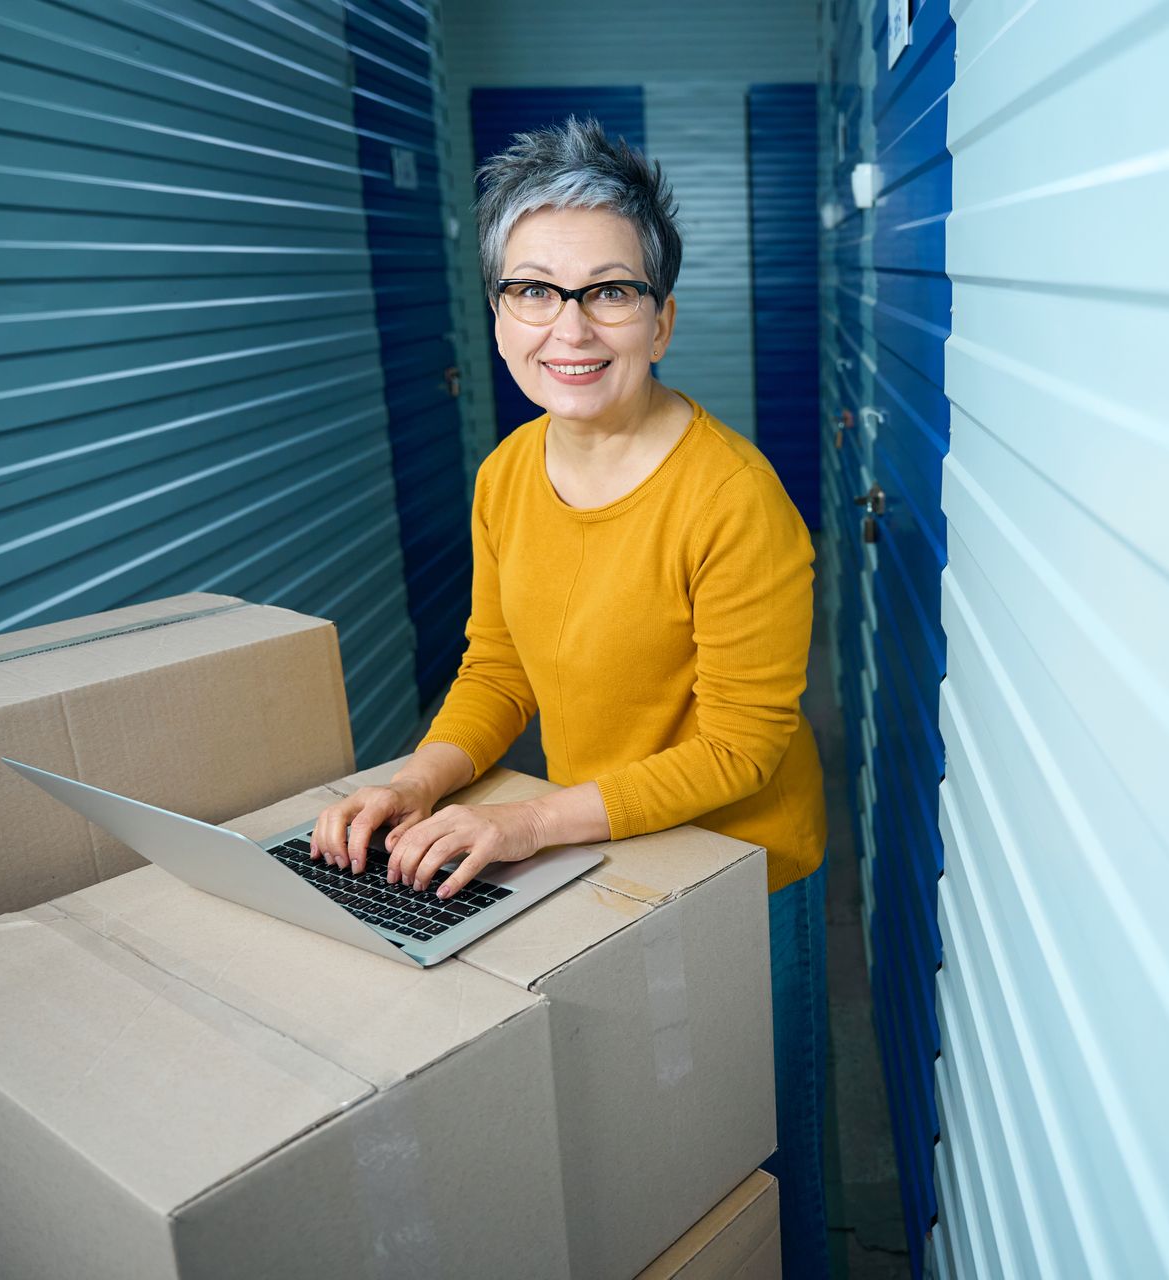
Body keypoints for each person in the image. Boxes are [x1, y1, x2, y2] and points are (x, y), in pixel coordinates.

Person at [309, 116, 830, 1279]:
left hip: (746, 874)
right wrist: (414, 779)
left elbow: (747, 749)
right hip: (605, 851)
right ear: (498, 315)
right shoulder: (505, 478)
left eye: (609, 290)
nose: (571, 326)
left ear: (663, 318)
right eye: (535, 290)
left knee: (767, 1164)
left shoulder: (734, 500)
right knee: (658, 1155)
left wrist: (524, 818)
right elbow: (499, 669)